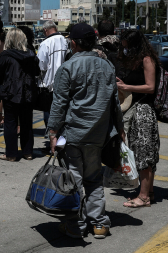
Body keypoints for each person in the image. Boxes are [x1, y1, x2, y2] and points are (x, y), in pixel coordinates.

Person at [47, 22, 123, 240]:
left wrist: (52, 133)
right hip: (98, 134)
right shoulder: (107, 66)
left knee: (75, 181)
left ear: (73, 43)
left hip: (73, 134)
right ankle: (99, 224)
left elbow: (59, 104)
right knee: (94, 178)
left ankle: (76, 225)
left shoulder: (68, 68)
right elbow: (114, 102)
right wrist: (120, 128)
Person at [0, 28, 39, 161]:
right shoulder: (31, 54)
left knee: (10, 123)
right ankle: (28, 152)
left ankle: (11, 154)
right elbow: (37, 72)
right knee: (26, 123)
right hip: (28, 93)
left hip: (11, 93)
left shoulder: (6, 55)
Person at [116, 29, 160, 208]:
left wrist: (127, 85)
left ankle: (143, 197)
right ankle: (148, 192)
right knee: (143, 152)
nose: (124, 49)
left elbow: (150, 87)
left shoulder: (147, 59)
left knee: (144, 154)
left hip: (144, 111)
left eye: (127, 46)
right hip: (136, 109)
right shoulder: (135, 60)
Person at [37, 20, 68, 126]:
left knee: (48, 110)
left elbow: (41, 65)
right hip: (64, 82)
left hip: (48, 84)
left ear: (45, 30)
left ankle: (50, 133)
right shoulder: (65, 40)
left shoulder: (45, 43)